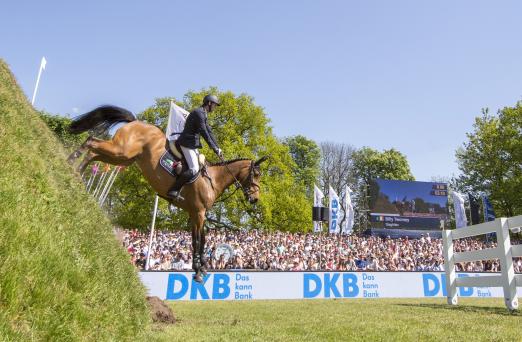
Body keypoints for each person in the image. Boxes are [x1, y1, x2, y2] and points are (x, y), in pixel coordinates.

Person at [167, 94, 224, 199]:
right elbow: (203, 132)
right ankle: (173, 190)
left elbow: (209, 132)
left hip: (192, 144)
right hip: (187, 143)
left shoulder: (203, 114)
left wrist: (218, 147)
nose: (215, 108)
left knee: (201, 164)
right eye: (215, 105)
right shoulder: (199, 113)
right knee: (194, 169)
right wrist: (214, 148)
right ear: (209, 103)